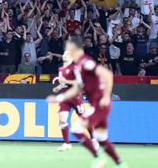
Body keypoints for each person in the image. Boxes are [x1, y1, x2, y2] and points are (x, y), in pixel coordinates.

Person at [47, 35, 126, 168]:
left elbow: (107, 75)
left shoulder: (85, 62)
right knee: (102, 139)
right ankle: (120, 163)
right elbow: (77, 87)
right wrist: (58, 98)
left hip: (100, 103)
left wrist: (106, 96)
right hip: (97, 103)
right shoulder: (77, 67)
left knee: (77, 128)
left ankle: (97, 156)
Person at [51, 51, 93, 152]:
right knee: (62, 118)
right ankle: (66, 143)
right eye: (64, 54)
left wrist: (65, 81)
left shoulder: (75, 68)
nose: (64, 55)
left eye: (66, 54)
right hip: (65, 97)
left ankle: (94, 139)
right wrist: (59, 86)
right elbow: (63, 83)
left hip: (75, 96)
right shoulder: (61, 69)